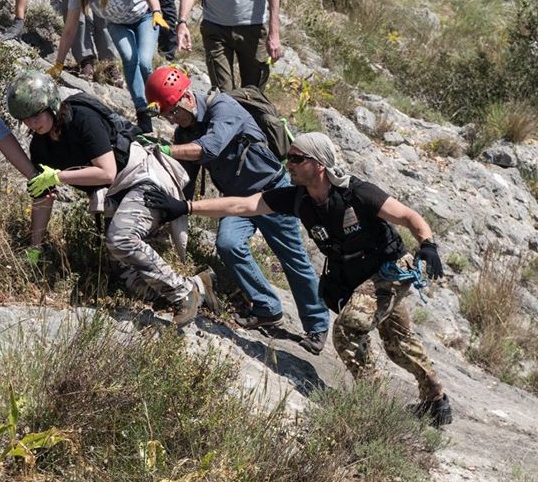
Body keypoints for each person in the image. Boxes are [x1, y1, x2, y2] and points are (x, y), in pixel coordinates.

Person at [144, 131, 454, 427]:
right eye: (288, 158)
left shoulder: (358, 193)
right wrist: (186, 206)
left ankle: (374, 405)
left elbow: (408, 216)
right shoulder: (297, 198)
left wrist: (427, 244)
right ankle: (436, 401)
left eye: (296, 159)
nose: (288, 165)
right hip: (357, 276)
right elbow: (245, 204)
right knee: (398, 343)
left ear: (319, 164)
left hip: (388, 270)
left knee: (347, 329)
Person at [6, 69, 220, 327]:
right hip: (118, 195)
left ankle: (183, 293)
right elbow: (43, 195)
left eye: (36, 115)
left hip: (143, 178)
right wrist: (35, 249)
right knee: (127, 278)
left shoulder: (82, 118)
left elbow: (107, 172)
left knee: (120, 239)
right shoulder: (40, 147)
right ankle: (198, 285)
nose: (32, 124)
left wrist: (59, 177)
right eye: (25, 119)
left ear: (51, 105)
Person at [143, 66, 330, 354]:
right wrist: (177, 209)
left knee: (292, 258)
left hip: (272, 192)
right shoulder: (184, 133)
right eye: (166, 115)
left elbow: (211, 148)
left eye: (173, 111)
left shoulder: (223, 107)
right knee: (228, 243)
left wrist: (164, 150)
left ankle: (317, 326)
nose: (171, 119)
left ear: (188, 98)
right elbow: (187, 177)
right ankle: (267, 305)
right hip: (236, 200)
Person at [48, 0, 169, 133]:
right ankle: (142, 112)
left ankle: (159, 100)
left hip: (144, 17)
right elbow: (69, 30)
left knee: (144, 62)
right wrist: (59, 64)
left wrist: (157, 12)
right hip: (118, 25)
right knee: (130, 59)